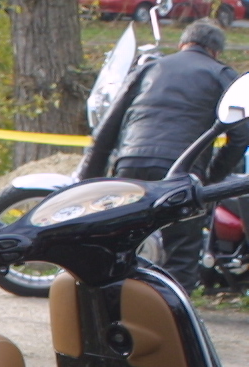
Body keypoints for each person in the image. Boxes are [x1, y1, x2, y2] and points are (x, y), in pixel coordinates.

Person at [83, 19, 237, 291]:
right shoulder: (221, 74)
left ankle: (111, 302)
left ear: (182, 43)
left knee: (120, 242)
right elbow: (242, 135)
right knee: (181, 250)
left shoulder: (147, 69)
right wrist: (211, 179)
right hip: (182, 172)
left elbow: (105, 132)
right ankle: (172, 311)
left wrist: (87, 183)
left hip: (130, 165)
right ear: (215, 51)